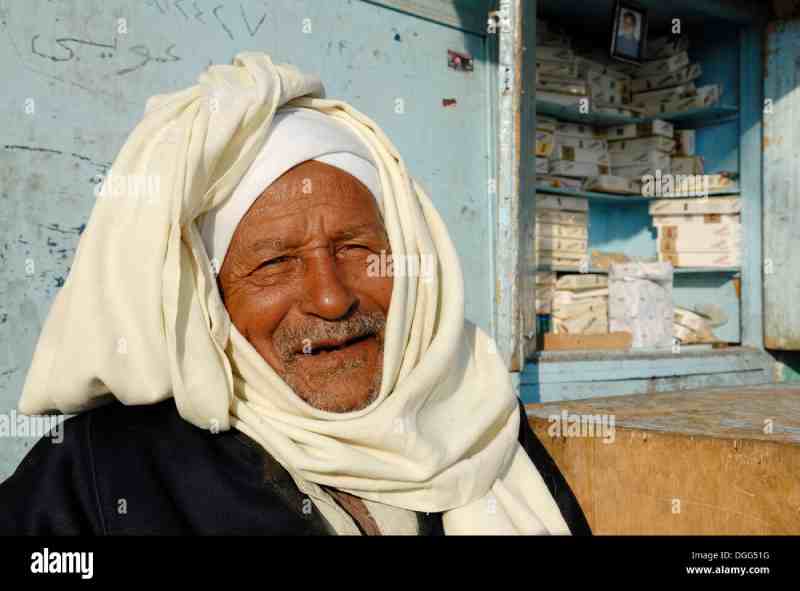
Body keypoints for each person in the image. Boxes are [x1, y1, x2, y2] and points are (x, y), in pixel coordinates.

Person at [0, 53, 590, 535]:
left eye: (357, 248)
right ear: (210, 294)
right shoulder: (102, 475)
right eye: (274, 263)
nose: (331, 300)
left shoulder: (476, 418)